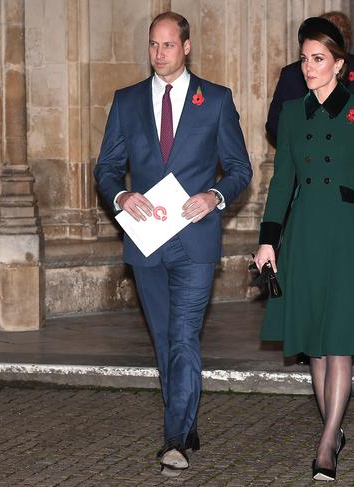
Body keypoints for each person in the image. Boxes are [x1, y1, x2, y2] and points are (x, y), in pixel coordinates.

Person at [94, 12, 252, 474]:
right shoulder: (126, 102)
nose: (159, 53)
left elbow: (240, 168)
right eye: (152, 45)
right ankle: (185, 416)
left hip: (195, 241)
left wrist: (215, 195)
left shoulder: (216, 100)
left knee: (184, 335)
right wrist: (122, 195)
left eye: (167, 45)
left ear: (186, 47)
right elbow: (106, 168)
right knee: (164, 340)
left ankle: (175, 438)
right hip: (146, 241)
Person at [254, 17, 354, 482]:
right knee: (314, 342)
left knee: (341, 340)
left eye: (317, 59)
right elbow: (281, 184)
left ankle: (328, 441)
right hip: (305, 233)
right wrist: (268, 240)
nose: (308, 68)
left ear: (338, 65)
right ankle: (332, 427)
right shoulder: (292, 113)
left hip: (349, 232)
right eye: (304, 59)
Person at [266, 12, 354, 207]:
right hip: (304, 175)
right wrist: (303, 144)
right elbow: (274, 122)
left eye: (344, 34)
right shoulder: (293, 74)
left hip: (350, 176)